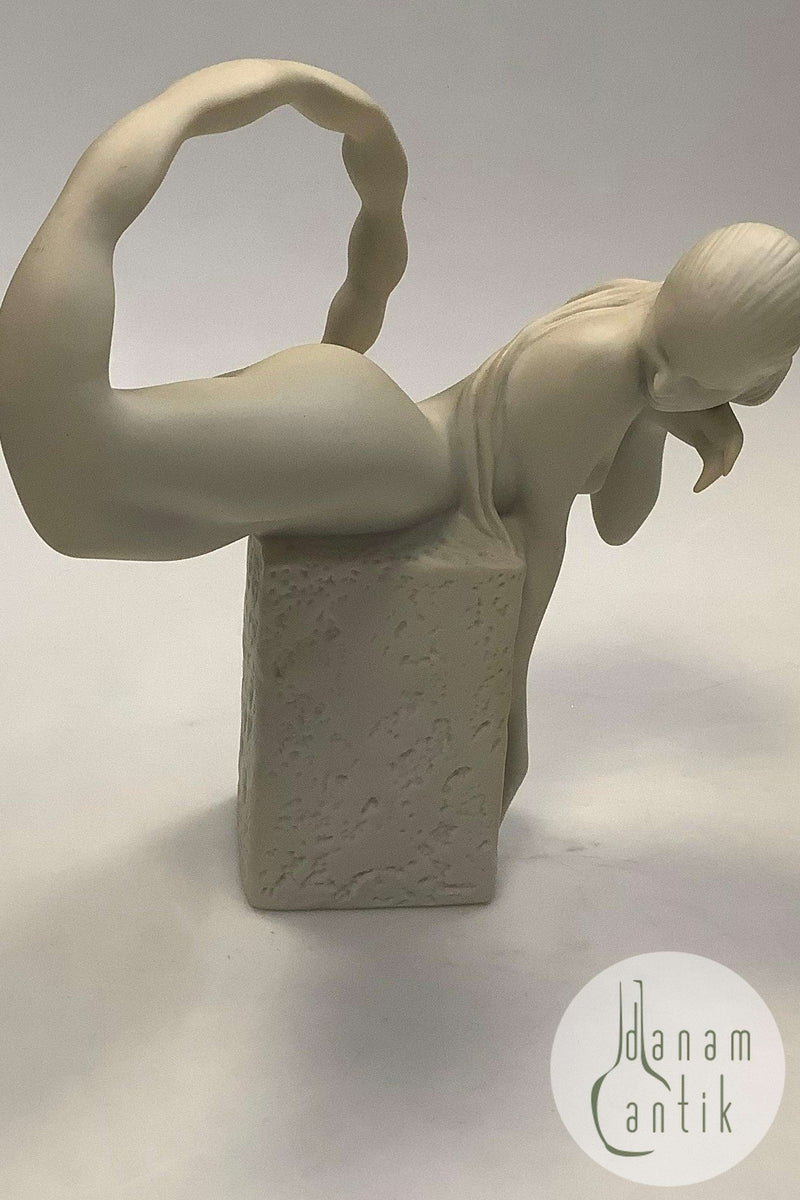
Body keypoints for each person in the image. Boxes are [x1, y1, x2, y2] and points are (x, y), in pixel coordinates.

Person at [1, 60, 798, 814]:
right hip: (384, 453)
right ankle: (113, 174)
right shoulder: (595, 366)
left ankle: (133, 163)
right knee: (79, 456)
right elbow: (539, 543)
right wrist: (508, 724)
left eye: (700, 383)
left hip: (368, 435)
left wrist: (655, 417)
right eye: (674, 371)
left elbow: (620, 521)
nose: (674, 390)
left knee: (99, 512)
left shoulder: (636, 321)